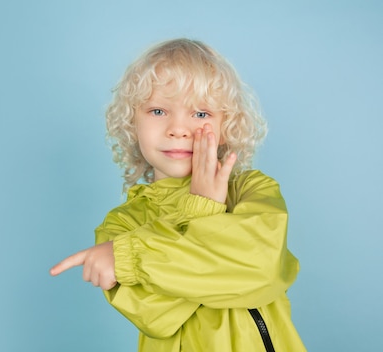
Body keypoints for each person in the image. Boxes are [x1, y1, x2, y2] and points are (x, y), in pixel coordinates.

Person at [49, 38, 306, 351]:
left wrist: (130, 257)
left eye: (200, 114)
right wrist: (202, 214)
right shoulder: (122, 225)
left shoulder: (252, 193)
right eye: (158, 110)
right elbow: (156, 314)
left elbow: (260, 270)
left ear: (226, 124)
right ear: (133, 123)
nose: (178, 129)